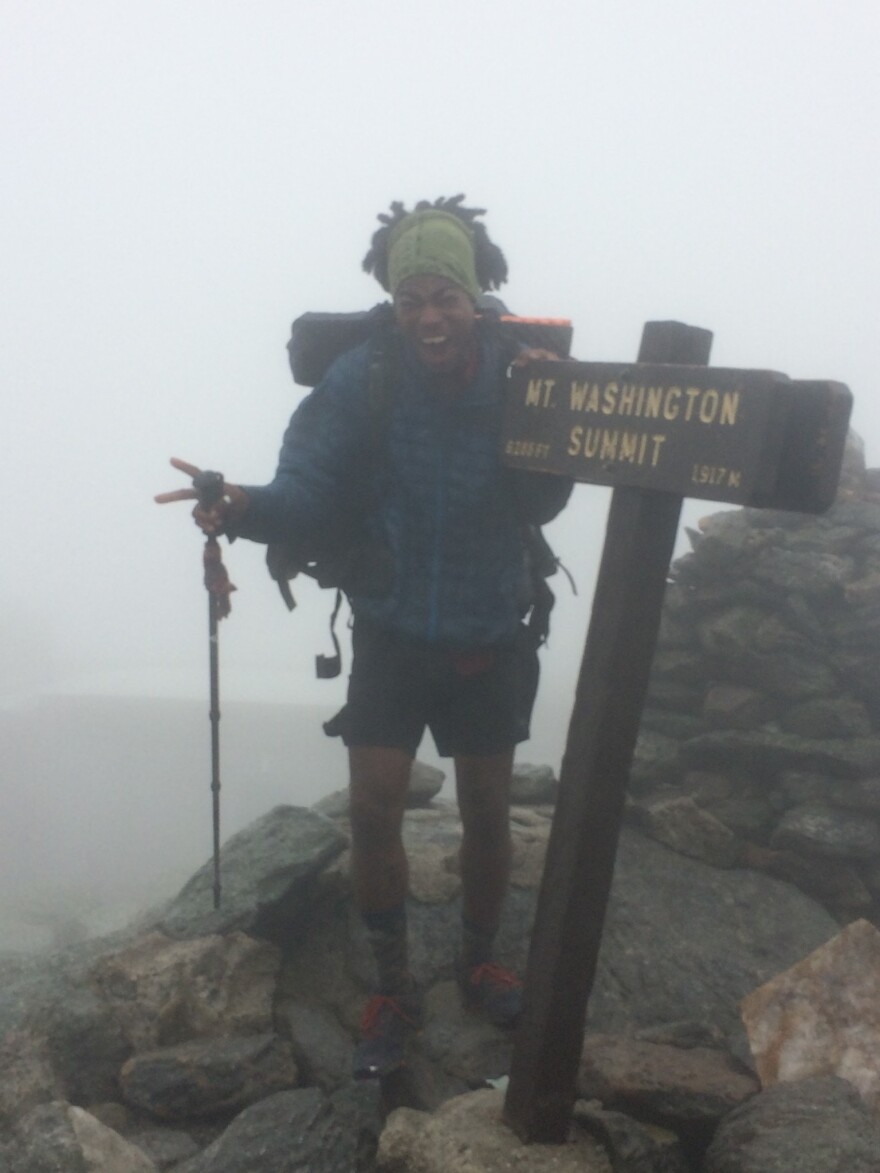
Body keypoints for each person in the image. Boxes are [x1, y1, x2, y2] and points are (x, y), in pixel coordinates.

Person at [157, 196, 573, 1079]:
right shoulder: (365, 379)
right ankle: (392, 983)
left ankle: (479, 959)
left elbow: (545, 501)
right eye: (411, 296)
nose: (429, 315)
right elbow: (306, 487)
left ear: (474, 297)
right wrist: (243, 508)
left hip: (492, 626)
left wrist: (547, 411)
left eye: (445, 297)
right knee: (375, 808)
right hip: (392, 630)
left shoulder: (522, 374)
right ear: (393, 302)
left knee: (488, 811)